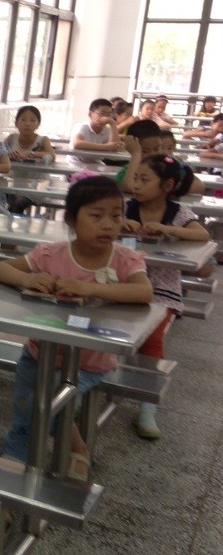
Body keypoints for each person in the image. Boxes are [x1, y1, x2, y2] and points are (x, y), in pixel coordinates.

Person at [0, 176, 153, 479]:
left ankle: (74, 446)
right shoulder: (50, 255)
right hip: (39, 353)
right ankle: (16, 466)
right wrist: (27, 279)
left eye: (116, 215)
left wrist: (90, 288)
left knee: (48, 401)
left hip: (90, 361)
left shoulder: (124, 259)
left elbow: (144, 292)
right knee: (26, 410)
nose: (108, 224)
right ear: (71, 220)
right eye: (96, 216)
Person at [122, 154, 210, 439]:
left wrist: (169, 230)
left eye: (144, 179)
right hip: (123, 285)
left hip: (161, 292)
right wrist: (120, 224)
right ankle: (90, 386)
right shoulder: (126, 207)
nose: (136, 184)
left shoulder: (178, 212)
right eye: (136, 178)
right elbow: (101, 225)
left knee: (152, 339)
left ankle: (147, 408)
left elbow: (202, 235)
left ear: (167, 186)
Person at [118, 120, 204, 196]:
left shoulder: (169, 166)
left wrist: (158, 189)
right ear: (132, 149)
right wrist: (136, 154)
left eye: (157, 148)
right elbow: (129, 186)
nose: (153, 154)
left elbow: (199, 186)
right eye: (144, 151)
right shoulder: (129, 169)